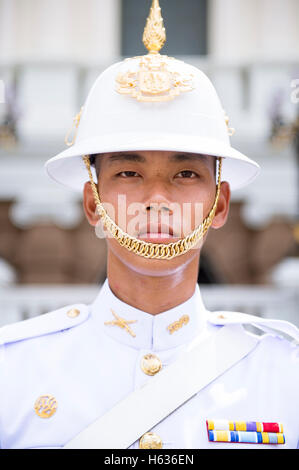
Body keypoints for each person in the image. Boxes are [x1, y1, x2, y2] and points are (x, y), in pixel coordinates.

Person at [0, 0, 298, 450]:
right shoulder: (14, 372)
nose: (157, 200)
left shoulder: (283, 371)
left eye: (185, 174)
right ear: (93, 205)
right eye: (128, 174)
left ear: (219, 205)